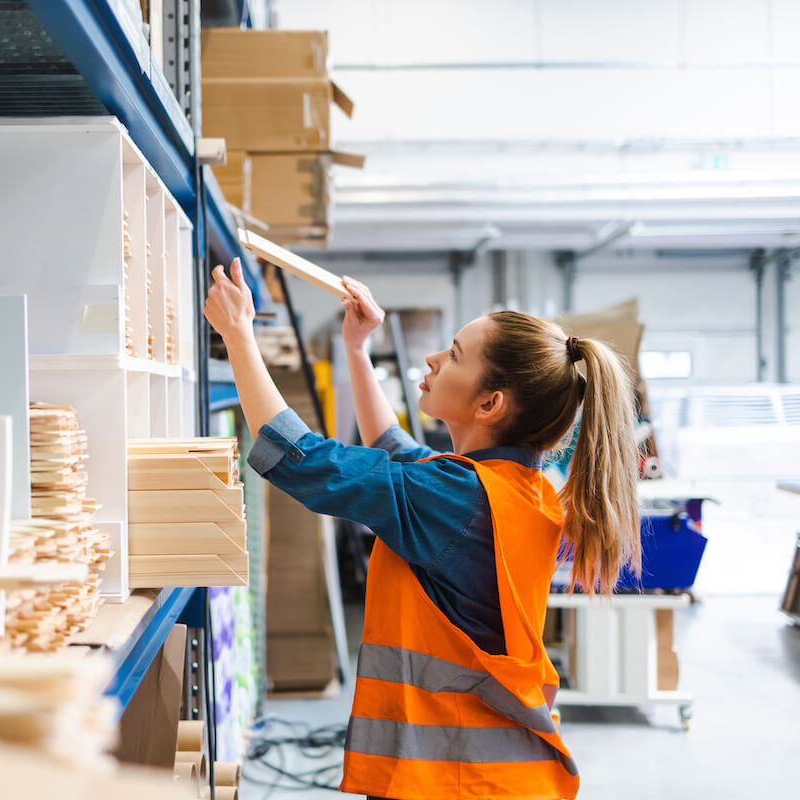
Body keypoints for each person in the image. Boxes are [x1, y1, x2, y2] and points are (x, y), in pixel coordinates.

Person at [205, 259, 642, 800]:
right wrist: (358, 349)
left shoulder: (456, 496)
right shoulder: (515, 490)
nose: (433, 358)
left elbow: (302, 460)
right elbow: (397, 451)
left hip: (447, 781)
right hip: (482, 777)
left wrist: (238, 334)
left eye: (454, 354)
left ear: (489, 404)